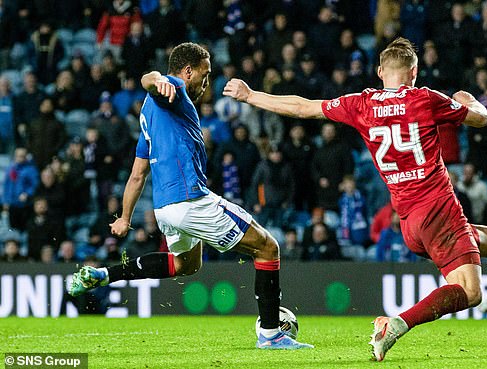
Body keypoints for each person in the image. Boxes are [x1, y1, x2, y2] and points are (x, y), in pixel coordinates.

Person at [224, 37, 487, 362]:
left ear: (380, 70)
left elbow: (303, 107)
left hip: (408, 222)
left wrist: (250, 95)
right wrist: (470, 100)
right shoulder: (425, 99)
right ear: (414, 72)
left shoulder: (360, 104)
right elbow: (482, 119)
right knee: (471, 292)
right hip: (438, 209)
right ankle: (397, 324)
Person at [68, 42, 312, 350]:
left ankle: (103, 274)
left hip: (165, 209)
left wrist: (126, 218)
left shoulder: (148, 114)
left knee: (186, 265)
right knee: (267, 247)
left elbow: (137, 174)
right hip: (190, 201)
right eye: (205, 75)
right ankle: (271, 333)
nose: (207, 83)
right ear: (187, 71)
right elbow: (151, 79)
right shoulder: (173, 91)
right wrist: (156, 79)